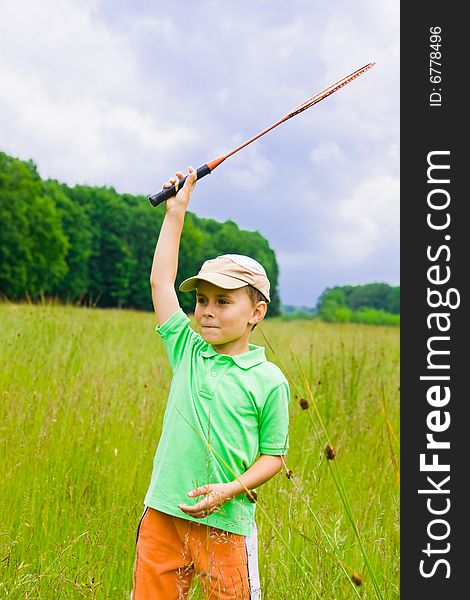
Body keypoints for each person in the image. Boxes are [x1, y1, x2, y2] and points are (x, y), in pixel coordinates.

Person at [131, 167, 290, 600]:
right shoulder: (187, 349)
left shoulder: (269, 381)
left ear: (256, 313)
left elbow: (272, 458)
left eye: (223, 301)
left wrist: (229, 490)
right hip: (165, 512)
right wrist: (175, 213)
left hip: (226, 526)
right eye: (201, 300)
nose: (207, 310)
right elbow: (160, 281)